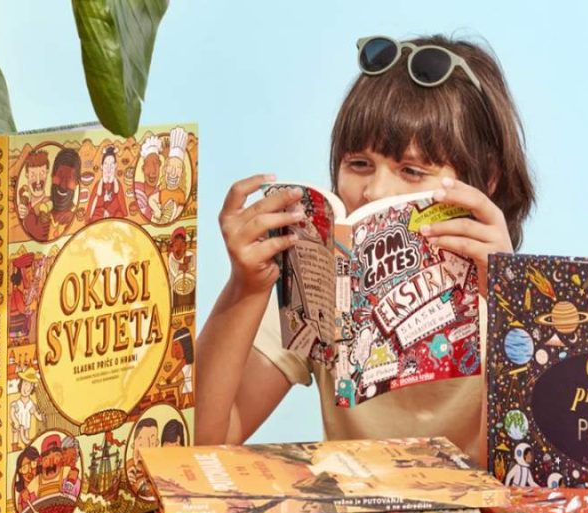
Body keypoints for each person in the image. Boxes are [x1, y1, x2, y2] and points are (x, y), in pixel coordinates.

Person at [195, 35, 535, 466]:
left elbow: (532, 469)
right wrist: (245, 287)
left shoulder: (522, 310)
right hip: (350, 510)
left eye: (412, 170)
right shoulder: (317, 287)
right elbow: (201, 441)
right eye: (359, 164)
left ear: (487, 179)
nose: (374, 191)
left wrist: (509, 301)